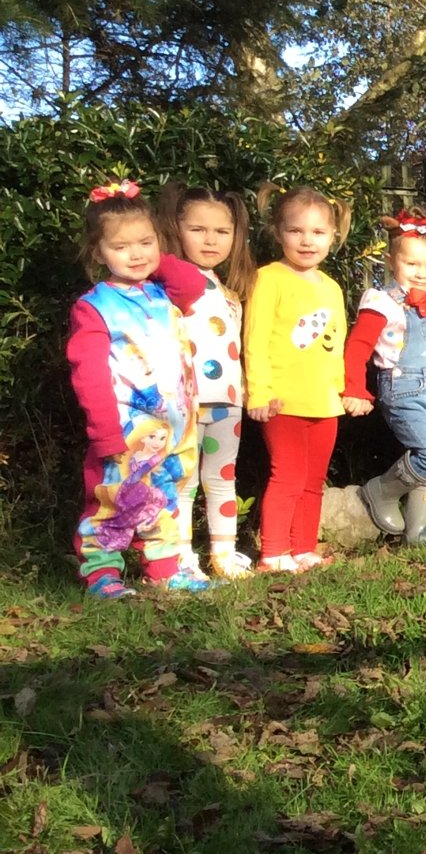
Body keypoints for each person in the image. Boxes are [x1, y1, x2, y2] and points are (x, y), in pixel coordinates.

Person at [66, 180, 212, 597]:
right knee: (113, 500)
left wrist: (158, 258)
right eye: (121, 246)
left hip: (176, 426)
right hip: (126, 429)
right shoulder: (94, 306)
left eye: (145, 242)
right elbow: (88, 374)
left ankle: (164, 570)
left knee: (163, 499)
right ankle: (101, 573)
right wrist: (104, 432)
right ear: (98, 253)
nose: (136, 254)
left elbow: (194, 286)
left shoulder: (161, 292)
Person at [246, 185, 350, 572]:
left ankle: (304, 548)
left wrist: (341, 391)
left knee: (313, 480)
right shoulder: (268, 278)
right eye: (296, 231)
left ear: (332, 237)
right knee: (287, 475)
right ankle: (273, 553)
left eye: (318, 233)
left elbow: (336, 344)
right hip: (281, 401)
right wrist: (259, 391)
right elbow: (254, 338)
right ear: (278, 232)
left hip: (324, 402)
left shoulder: (333, 288)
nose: (307, 241)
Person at [159, 183, 256, 580]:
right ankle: (179, 556)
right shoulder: (170, 281)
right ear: (175, 229)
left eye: (222, 231)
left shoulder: (229, 290)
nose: (211, 240)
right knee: (181, 481)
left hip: (228, 400)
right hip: (184, 400)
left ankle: (223, 553)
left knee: (221, 477)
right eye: (198, 229)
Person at [344, 211, 426, 544]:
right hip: (404, 390)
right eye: (412, 265)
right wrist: (356, 389)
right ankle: (381, 491)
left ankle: (417, 537)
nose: (422, 274)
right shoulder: (382, 302)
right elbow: (358, 346)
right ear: (391, 260)